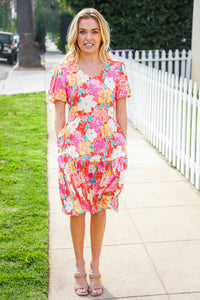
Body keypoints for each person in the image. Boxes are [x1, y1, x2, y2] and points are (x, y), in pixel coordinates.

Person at [47, 7, 131, 297]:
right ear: (75, 35)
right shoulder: (63, 70)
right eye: (83, 31)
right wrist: (63, 150)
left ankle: (96, 267)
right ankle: (79, 267)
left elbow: (122, 115)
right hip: (75, 155)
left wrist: (121, 148)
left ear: (102, 34)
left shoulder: (117, 69)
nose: (88, 37)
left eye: (94, 31)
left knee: (99, 209)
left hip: (108, 154)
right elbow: (59, 118)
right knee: (77, 210)